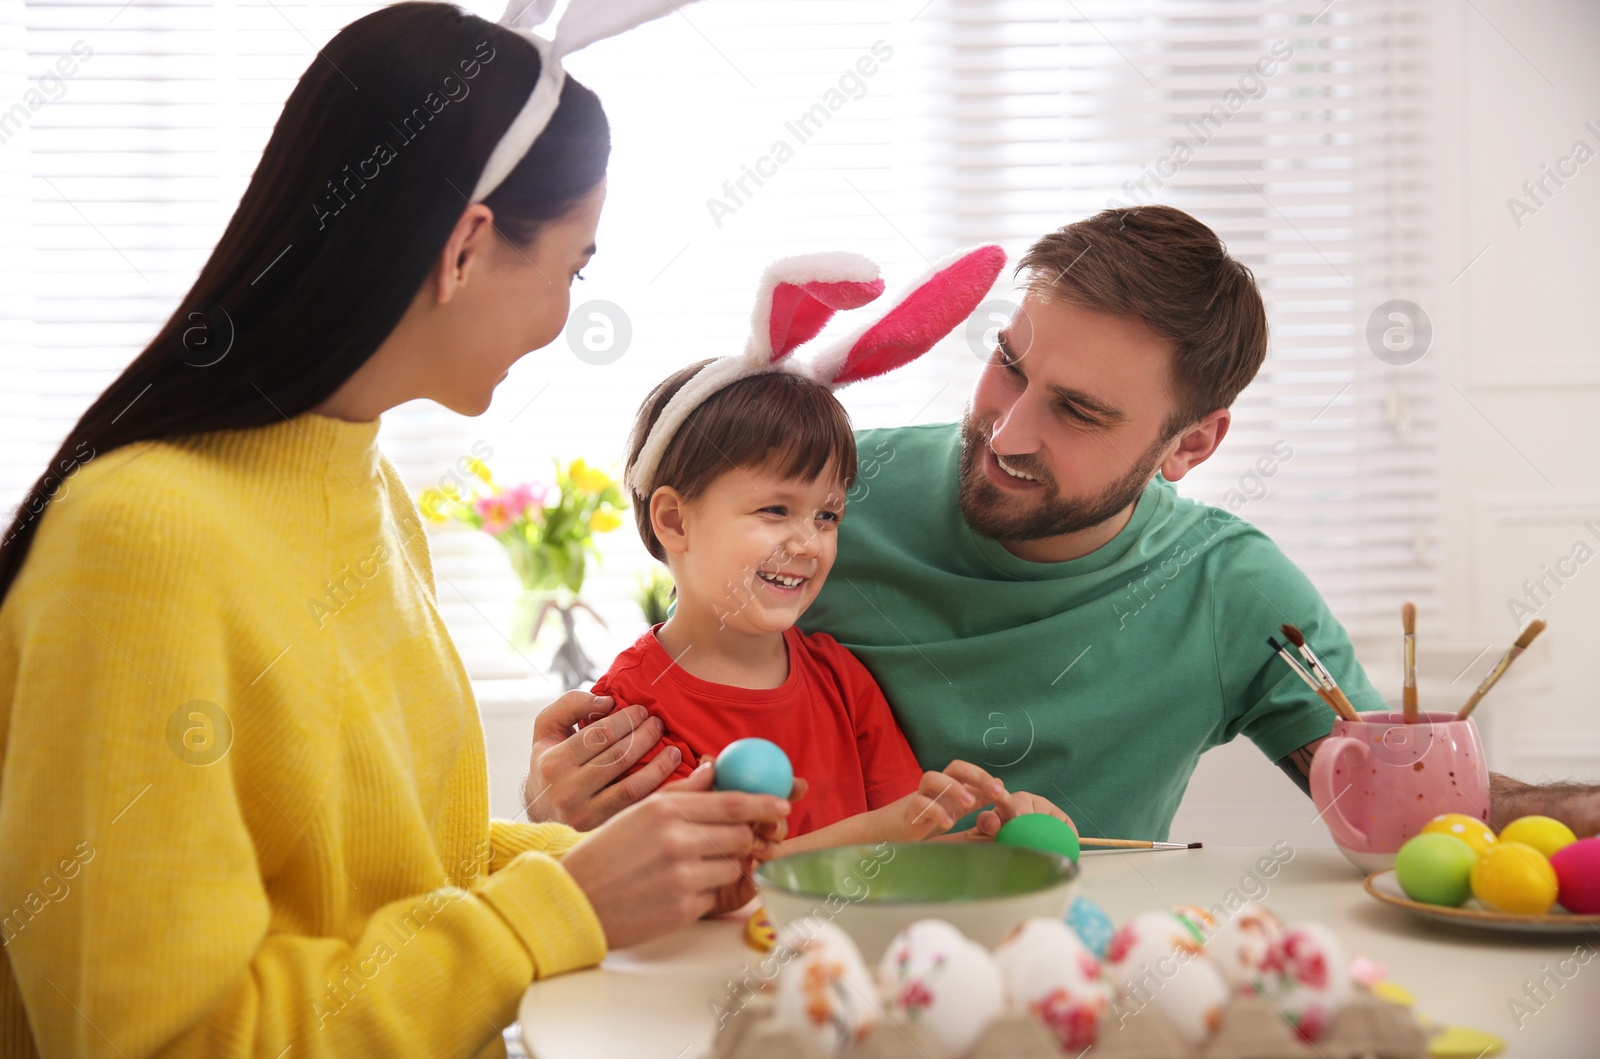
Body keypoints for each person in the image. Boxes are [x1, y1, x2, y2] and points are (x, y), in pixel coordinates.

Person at [0, 5, 790, 1059]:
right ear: (466, 244)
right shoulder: (139, 539)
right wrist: (558, 904)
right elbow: (158, 1044)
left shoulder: (371, 495)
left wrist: (634, 865)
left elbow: (410, 874)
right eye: (575, 268)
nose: (564, 313)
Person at [521, 206, 1600, 842]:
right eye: (1009, 364)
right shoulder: (831, 491)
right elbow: (682, 691)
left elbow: (1413, 807)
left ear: (1190, 445)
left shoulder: (1231, 592)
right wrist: (562, 800)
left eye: (1077, 412)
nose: (1006, 431)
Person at [595, 249, 1073, 851]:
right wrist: (886, 829)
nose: (806, 542)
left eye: (828, 516)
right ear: (674, 520)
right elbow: (703, 886)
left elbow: (903, 858)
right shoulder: (627, 713)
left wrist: (991, 843)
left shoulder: (843, 684)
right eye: (775, 510)